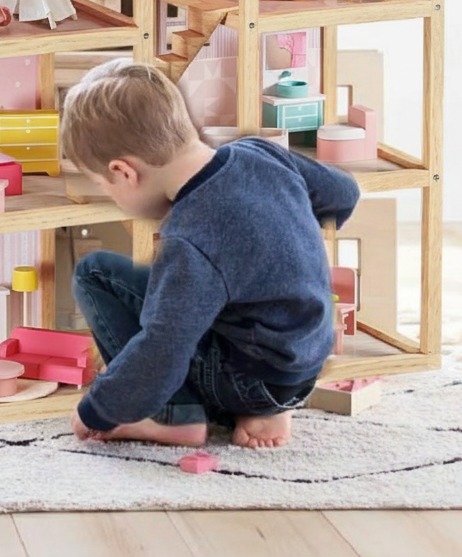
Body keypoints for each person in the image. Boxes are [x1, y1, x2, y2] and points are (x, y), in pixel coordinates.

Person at [61, 60, 359, 450]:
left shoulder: (190, 239)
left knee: (94, 275)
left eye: (105, 184)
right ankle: (268, 407)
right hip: (305, 359)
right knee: (203, 308)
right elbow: (344, 195)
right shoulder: (260, 153)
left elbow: (161, 352)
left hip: (249, 379)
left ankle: (172, 416)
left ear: (125, 172)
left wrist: (97, 410)